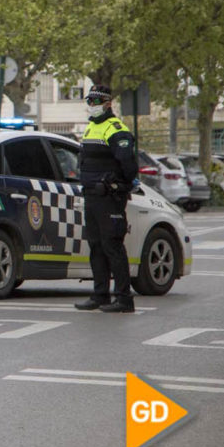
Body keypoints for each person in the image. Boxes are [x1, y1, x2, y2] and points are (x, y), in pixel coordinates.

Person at [74, 84, 139, 313]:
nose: (91, 105)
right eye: (89, 101)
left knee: (112, 245)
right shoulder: (91, 128)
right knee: (96, 246)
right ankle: (100, 295)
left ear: (107, 103)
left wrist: (119, 186)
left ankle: (123, 298)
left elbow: (129, 165)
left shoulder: (116, 128)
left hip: (109, 196)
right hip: (92, 196)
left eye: (95, 101)